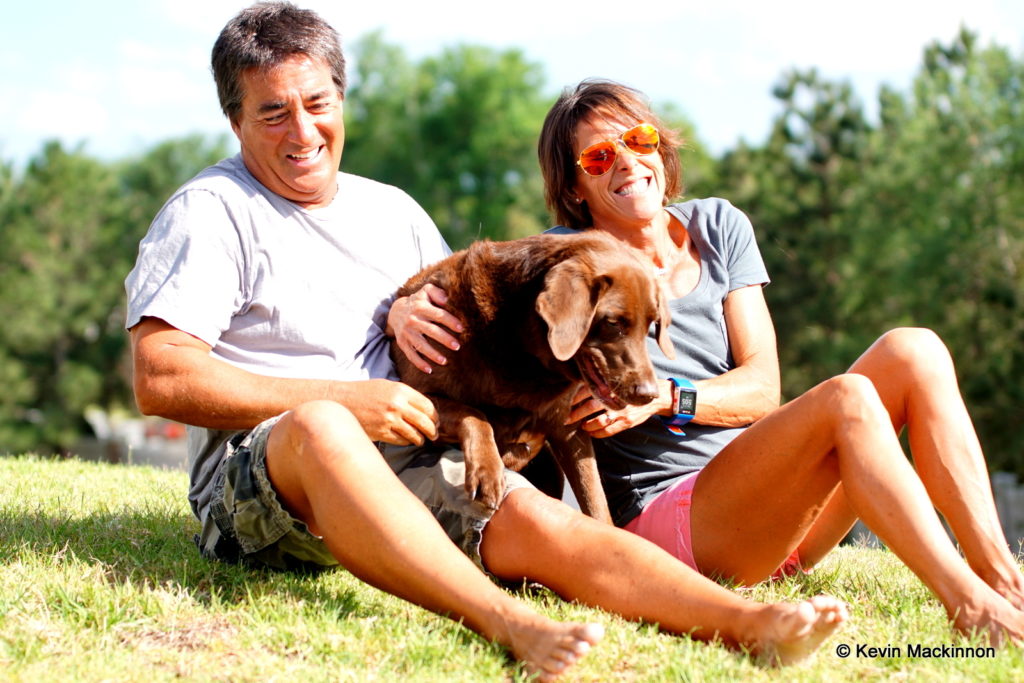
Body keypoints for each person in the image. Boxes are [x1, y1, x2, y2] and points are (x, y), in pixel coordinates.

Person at [124, 3, 849, 678]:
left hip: (412, 446)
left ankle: (746, 622)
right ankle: (507, 623)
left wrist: (398, 311)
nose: (303, 131)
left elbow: (468, 314)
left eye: (317, 104)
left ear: (341, 100)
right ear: (235, 119)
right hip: (268, 474)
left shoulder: (391, 211)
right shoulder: (211, 212)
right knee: (324, 423)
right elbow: (162, 376)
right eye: (273, 112)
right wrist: (350, 398)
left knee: (536, 514)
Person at [524, 78, 1024, 644]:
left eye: (638, 139)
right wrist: (411, 304)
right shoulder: (568, 263)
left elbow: (764, 389)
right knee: (847, 397)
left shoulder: (717, 226)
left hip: (772, 508)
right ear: (573, 187)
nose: (626, 162)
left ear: (660, 148)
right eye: (598, 156)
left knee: (915, 349)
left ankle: (1001, 581)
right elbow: (485, 286)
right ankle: (968, 605)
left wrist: (664, 399)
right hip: (669, 524)